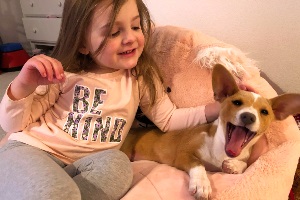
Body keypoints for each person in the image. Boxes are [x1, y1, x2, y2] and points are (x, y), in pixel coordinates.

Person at [0, 0, 220, 199]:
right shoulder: (63, 73)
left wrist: (218, 108)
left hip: (84, 166)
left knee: (119, 164)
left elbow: (169, 119)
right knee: (57, 192)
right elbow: (14, 125)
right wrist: (24, 85)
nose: (130, 38)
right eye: (114, 32)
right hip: (32, 151)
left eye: (135, 26)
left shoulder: (139, 76)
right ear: (82, 43)